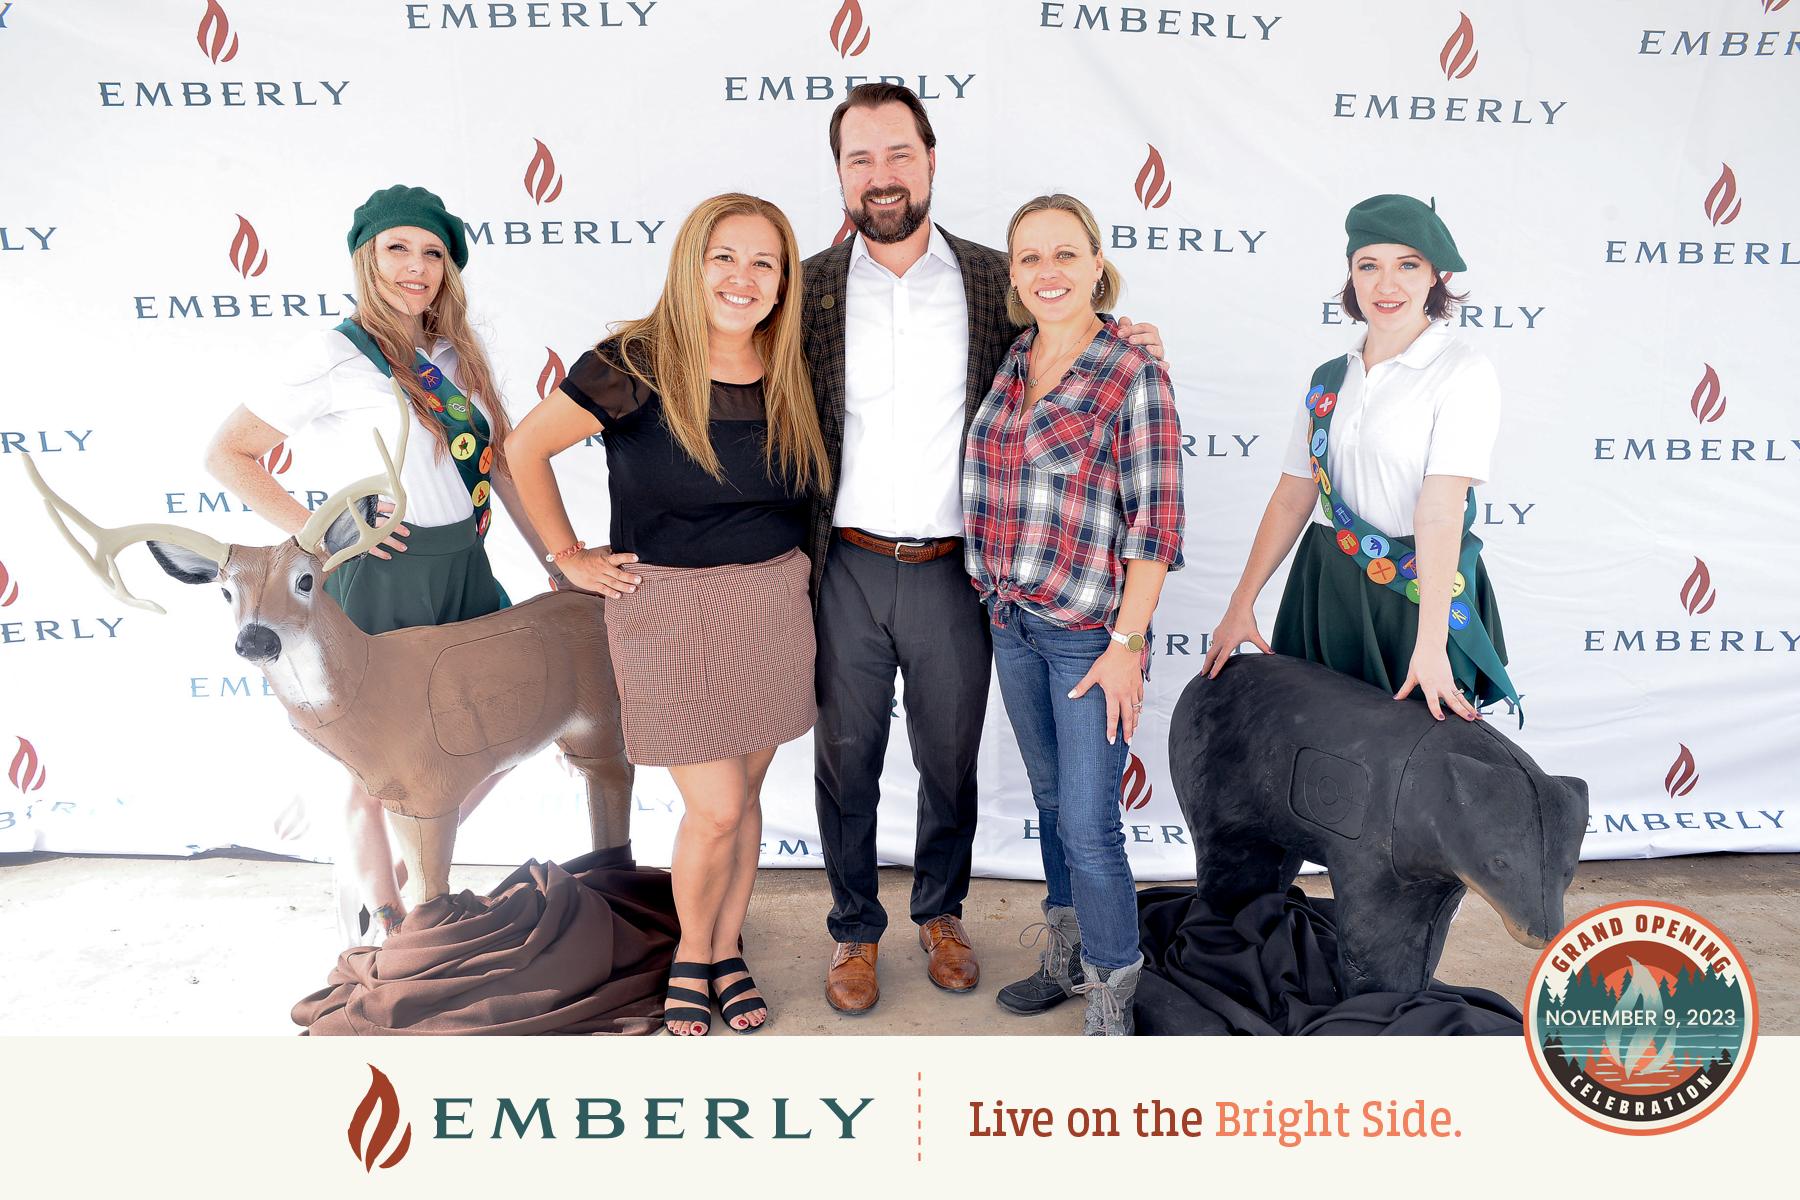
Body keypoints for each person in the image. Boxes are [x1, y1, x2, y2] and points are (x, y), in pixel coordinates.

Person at [800, 83, 1168, 1017]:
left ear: (930, 160)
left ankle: (941, 913)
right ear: (840, 171)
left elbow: (1076, 339)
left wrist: (1136, 337)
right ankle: (853, 931)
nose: (880, 176)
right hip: (841, 563)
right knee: (846, 760)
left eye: (898, 155)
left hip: (960, 575)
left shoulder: (983, 283)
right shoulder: (802, 290)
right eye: (860, 159)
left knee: (948, 760)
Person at [506, 193, 829, 1036]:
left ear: (783, 280)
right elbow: (524, 448)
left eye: (765, 262)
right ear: (691, 263)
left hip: (771, 601)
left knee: (747, 793)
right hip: (667, 610)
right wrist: (566, 554)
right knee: (715, 805)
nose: (743, 277)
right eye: (725, 256)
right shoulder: (631, 362)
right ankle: (692, 954)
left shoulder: (792, 364)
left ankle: (726, 949)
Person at [204, 184, 541, 942]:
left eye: (432, 253)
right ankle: (388, 925)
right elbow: (228, 454)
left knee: (503, 732)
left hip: (464, 570)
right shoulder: (331, 353)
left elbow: (506, 465)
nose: (416, 267)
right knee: (374, 765)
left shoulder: (459, 354)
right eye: (398, 248)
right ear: (367, 257)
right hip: (379, 576)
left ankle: (385, 885)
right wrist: (317, 534)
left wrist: (557, 555)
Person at [963, 194, 1184, 1036]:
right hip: (1011, 623)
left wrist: (1127, 644)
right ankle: (1065, 954)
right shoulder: (1016, 356)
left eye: (1066, 254)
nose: (1047, 271)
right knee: (1053, 805)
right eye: (1029, 258)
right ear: (1013, 276)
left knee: (1092, 827)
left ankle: (1112, 986)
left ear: (1098, 263)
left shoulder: (1133, 371)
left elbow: (1156, 525)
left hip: (1089, 637)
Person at [1202, 193, 1518, 722]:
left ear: (1435, 276)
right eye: (1368, 266)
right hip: (1330, 586)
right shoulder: (1330, 378)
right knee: (1321, 757)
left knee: (1420, 765)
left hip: (1418, 592)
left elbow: (1440, 511)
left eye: (1407, 265)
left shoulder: (1462, 370)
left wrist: (1431, 641)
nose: (1386, 285)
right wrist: (1242, 602)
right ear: (1351, 276)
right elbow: (1293, 495)